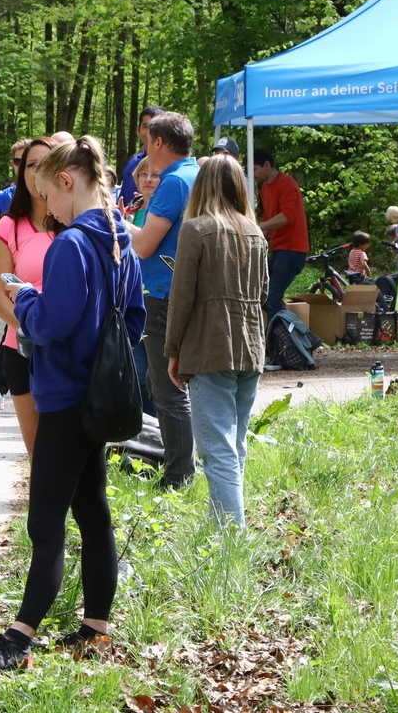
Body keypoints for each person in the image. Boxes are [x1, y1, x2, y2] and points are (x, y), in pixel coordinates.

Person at [0, 136, 144, 673]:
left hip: (65, 396)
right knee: (92, 510)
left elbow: (49, 325)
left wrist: (26, 297)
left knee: (45, 522)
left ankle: (18, 639)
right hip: (101, 395)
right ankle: (96, 628)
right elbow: (134, 320)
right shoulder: (121, 238)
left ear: (67, 181)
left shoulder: (71, 245)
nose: (48, 209)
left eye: (48, 195)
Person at [164, 155, 268, 526]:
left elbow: (181, 298)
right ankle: (219, 526)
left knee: (217, 449)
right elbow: (263, 293)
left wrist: (173, 350)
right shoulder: (256, 233)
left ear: (201, 186)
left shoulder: (195, 230)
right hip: (251, 346)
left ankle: (231, 538)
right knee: (234, 445)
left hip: (209, 346)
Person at [124, 110, 198, 489]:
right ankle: (179, 467)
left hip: (162, 294)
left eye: (147, 142)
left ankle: (178, 476)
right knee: (164, 382)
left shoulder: (172, 182)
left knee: (167, 389)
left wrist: (115, 221)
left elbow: (144, 245)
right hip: (181, 291)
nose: (145, 150)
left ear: (158, 142)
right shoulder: (196, 173)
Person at [0, 137, 55, 439]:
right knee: (38, 453)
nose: (37, 172)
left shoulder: (77, 223)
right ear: (22, 173)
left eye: (45, 164)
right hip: (22, 348)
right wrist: (35, 329)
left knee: (68, 450)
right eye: (30, 165)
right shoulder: (9, 225)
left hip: (69, 351)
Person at [252, 149, 308, 319]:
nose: (253, 175)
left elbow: (287, 216)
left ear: (267, 165)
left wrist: (260, 226)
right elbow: (269, 221)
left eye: (255, 169)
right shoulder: (264, 189)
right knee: (261, 295)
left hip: (292, 250)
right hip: (279, 250)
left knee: (272, 300)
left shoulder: (287, 184)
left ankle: (285, 333)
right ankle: (288, 328)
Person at [124, 159, 159, 416]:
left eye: (155, 175)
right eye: (143, 174)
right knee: (136, 368)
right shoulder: (132, 208)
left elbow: (147, 245)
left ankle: (155, 424)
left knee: (152, 370)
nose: (148, 179)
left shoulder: (162, 212)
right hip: (130, 293)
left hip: (154, 293)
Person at [118, 105, 163, 207]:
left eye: (156, 127)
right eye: (146, 126)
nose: (150, 132)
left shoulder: (170, 166)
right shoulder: (132, 164)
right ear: (138, 130)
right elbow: (123, 200)